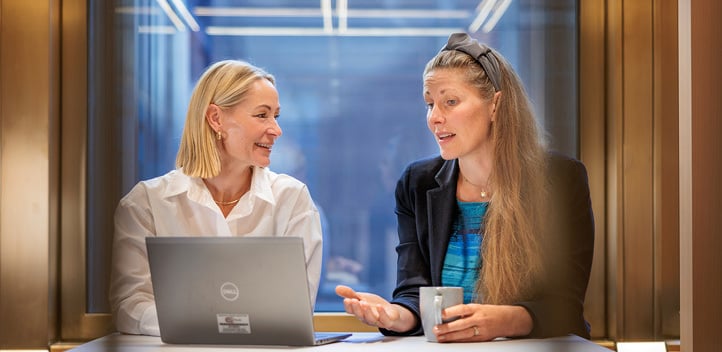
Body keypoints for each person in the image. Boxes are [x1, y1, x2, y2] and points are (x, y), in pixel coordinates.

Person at [336, 32, 594, 342]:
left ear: (495, 105)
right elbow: (412, 291)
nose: (434, 118)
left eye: (450, 102)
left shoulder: (561, 180)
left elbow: (565, 305)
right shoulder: (416, 183)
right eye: (430, 104)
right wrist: (395, 316)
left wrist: (506, 320)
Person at [109, 60, 323, 336]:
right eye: (262, 115)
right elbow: (130, 305)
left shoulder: (292, 199)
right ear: (215, 118)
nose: (276, 130)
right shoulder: (146, 203)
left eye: (276, 116)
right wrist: (206, 325)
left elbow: (295, 311)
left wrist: (205, 321)